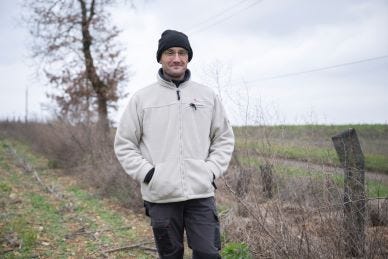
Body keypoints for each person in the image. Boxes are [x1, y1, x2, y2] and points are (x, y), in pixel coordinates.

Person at [114, 29, 234, 259]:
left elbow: (224, 138)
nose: (176, 58)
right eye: (169, 52)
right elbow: (124, 143)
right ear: (160, 57)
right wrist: (149, 174)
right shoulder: (142, 99)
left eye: (182, 53)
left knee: (209, 254)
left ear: (188, 57)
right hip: (161, 196)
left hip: (200, 194)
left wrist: (210, 171)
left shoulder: (207, 96)